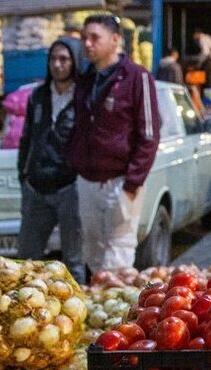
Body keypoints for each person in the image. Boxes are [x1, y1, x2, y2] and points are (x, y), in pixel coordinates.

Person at [68, 14, 160, 273]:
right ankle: (102, 308)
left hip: (120, 181)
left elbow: (150, 134)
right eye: (85, 38)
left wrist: (132, 184)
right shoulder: (85, 80)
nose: (87, 44)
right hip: (87, 180)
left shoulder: (136, 77)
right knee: (93, 255)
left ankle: (118, 311)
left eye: (95, 37)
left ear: (115, 40)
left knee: (118, 258)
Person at [16, 37, 85, 283]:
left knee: (74, 262)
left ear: (75, 61)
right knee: (26, 260)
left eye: (64, 59)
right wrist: (23, 176)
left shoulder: (84, 98)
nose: (57, 64)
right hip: (36, 189)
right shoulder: (38, 96)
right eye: (53, 59)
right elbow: (26, 139)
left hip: (70, 190)